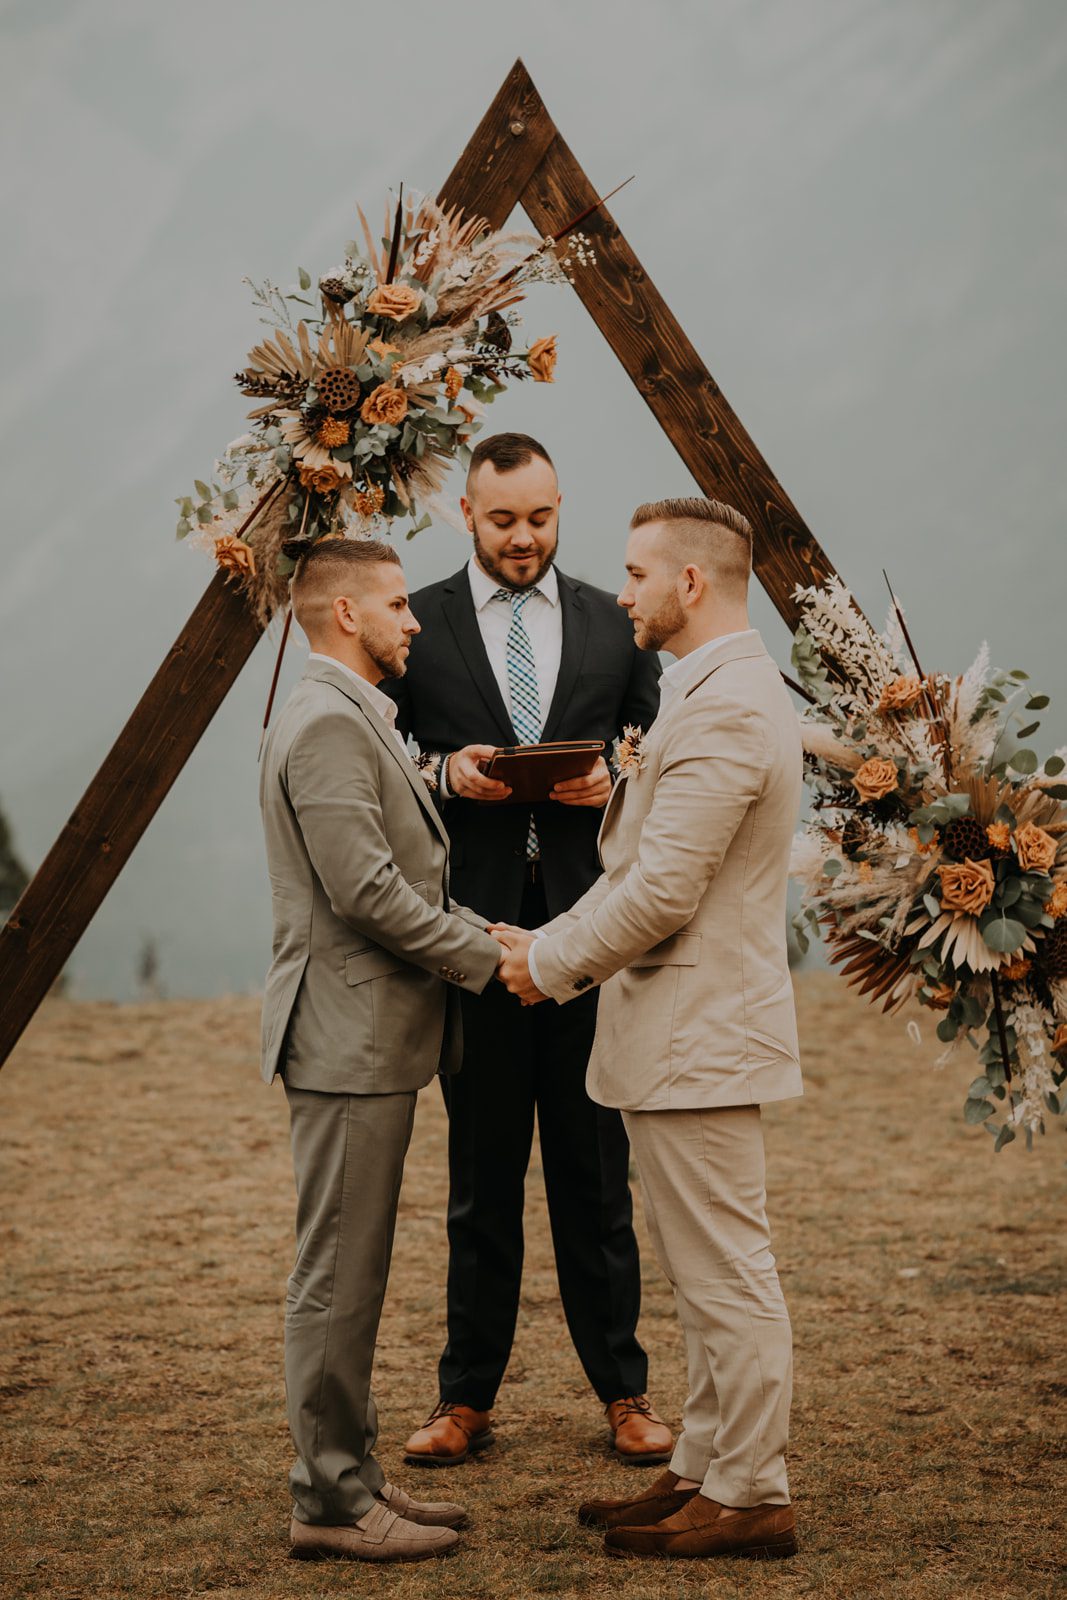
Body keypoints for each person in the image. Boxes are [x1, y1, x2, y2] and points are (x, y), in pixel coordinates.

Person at [494, 497, 803, 1562]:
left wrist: (544, 960)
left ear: (690, 583)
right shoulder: (706, 691)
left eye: (632, 573)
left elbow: (665, 887)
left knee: (725, 1267)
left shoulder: (724, 706)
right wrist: (538, 939)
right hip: (678, 1028)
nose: (615, 591)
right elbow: (642, 870)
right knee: (698, 1267)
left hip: (700, 1029)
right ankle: (704, 1469)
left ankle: (752, 1489)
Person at [384, 433, 671, 1467]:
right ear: (466, 512)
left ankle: (626, 1394)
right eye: (503, 519)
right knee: (481, 1177)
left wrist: (617, 781)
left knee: (598, 1179)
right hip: (474, 943)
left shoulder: (615, 620)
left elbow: (655, 750)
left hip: (591, 942)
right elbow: (383, 760)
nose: (523, 537)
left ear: (559, 509)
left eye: (540, 518)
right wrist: (448, 776)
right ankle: (465, 1398)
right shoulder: (415, 622)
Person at [258, 538, 504, 1563]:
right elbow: (363, 891)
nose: (415, 621)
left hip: (367, 1034)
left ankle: (351, 1474)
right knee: (337, 1274)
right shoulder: (322, 721)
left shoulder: (346, 712)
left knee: (351, 1266)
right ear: (345, 613)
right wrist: (483, 953)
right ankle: (328, 1500)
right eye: (398, 605)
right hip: (346, 1036)